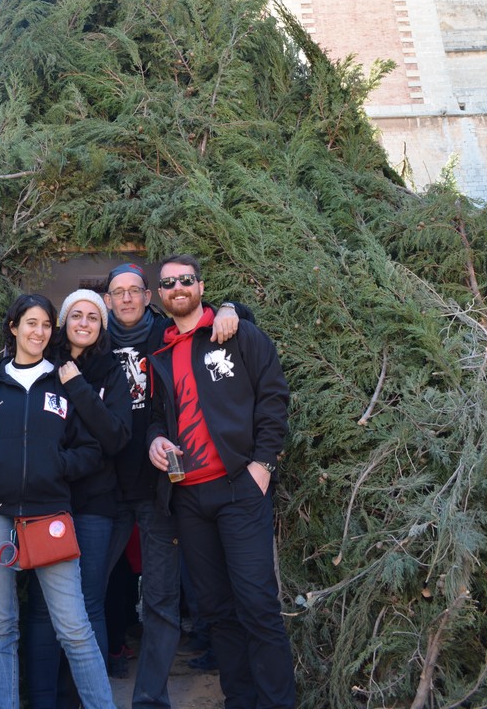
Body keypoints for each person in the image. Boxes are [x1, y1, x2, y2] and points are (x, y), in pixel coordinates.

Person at [0, 293, 119, 709]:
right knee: (0, 626)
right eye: (30, 323)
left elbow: (91, 451)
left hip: (48, 512)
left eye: (46, 324)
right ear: (13, 328)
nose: (39, 332)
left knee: (74, 627)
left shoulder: (65, 382)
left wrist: (54, 465)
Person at [147, 255, 296, 709]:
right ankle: (240, 701)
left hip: (239, 489)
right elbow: (157, 416)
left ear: (201, 286)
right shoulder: (160, 352)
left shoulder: (236, 334)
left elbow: (273, 398)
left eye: (186, 280)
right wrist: (155, 439)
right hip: (188, 498)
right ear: (160, 295)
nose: (178, 288)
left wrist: (262, 466)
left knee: (257, 605)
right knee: (216, 611)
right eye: (169, 283)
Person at [103, 261, 242, 709]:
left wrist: (230, 307)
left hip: (156, 489)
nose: (127, 298)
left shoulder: (166, 335)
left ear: (149, 297)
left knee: (161, 602)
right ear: (107, 300)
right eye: (118, 291)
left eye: (135, 290)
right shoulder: (92, 339)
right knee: (85, 595)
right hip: (102, 492)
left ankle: (149, 700)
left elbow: (210, 318)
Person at [26, 289, 131, 709]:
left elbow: (116, 438)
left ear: (102, 326)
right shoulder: (43, 364)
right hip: (45, 500)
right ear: (64, 322)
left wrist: (79, 386)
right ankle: (45, 700)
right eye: (76, 315)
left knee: (88, 603)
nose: (84, 322)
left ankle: (87, 700)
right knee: (42, 606)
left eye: (92, 317)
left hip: (94, 504)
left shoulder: (110, 371)